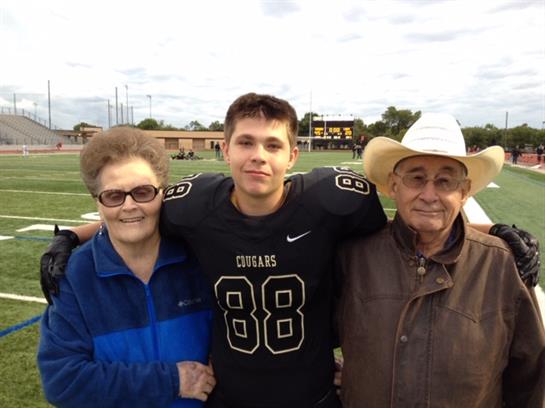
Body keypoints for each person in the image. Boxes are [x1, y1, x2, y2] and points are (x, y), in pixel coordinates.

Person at [40, 95, 540, 407]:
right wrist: (71, 237)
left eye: (273, 145)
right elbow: (132, 212)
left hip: (314, 395)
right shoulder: (193, 205)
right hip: (227, 397)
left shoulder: (334, 200)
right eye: (246, 142)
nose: (259, 155)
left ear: (292, 154)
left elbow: (414, 218)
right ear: (225, 148)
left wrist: (494, 232)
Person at [337, 113, 545, 407]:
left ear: (464, 192)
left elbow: (529, 379)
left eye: (446, 181)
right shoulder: (354, 257)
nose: (429, 194)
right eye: (416, 178)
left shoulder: (502, 267)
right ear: (394, 185)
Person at [37, 128, 215, 408]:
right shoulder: (74, 277)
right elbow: (62, 380)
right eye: (113, 196)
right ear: (97, 203)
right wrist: (171, 381)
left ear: (162, 194)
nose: (129, 206)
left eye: (143, 192)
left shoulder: (200, 259)